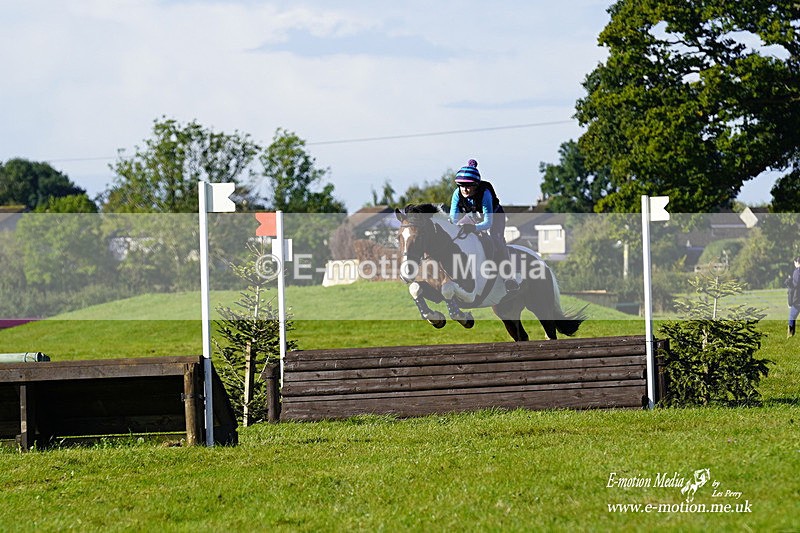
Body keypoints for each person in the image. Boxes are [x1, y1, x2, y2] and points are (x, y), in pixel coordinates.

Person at [448, 159, 518, 292]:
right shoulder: (457, 194)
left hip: (494, 217)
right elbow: (453, 220)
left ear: (476, 185)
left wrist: (473, 228)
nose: (465, 189)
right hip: (473, 217)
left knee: (496, 240)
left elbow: (487, 223)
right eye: (461, 185)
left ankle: (509, 278)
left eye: (468, 186)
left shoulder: (485, 194)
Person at [787, 256, 800, 338]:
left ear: (797, 262)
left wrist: (788, 281)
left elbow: (795, 284)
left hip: (797, 299)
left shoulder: (797, 272)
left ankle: (790, 334)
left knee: (792, 317)